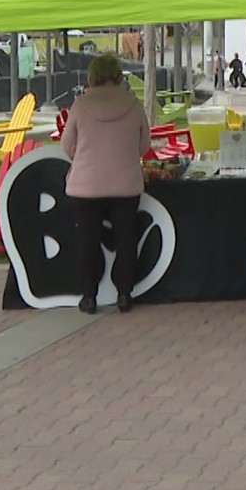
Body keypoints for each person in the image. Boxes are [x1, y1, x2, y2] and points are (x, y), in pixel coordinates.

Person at [61, 53, 150, 315]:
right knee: (126, 240)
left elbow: (67, 146)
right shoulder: (134, 104)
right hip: (126, 183)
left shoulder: (80, 105)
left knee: (87, 241)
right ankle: (124, 294)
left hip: (86, 186)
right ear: (118, 75)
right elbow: (144, 144)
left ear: (92, 76)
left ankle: (89, 296)